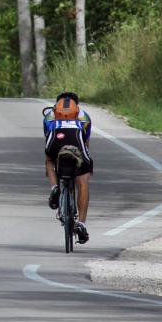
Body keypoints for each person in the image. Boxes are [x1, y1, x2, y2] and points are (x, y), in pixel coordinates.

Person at [43, 92, 93, 243]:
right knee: (83, 180)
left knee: (49, 160)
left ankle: (54, 188)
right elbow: (86, 143)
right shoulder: (85, 117)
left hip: (55, 140)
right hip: (77, 140)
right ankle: (82, 224)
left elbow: (47, 138)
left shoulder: (49, 116)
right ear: (76, 106)